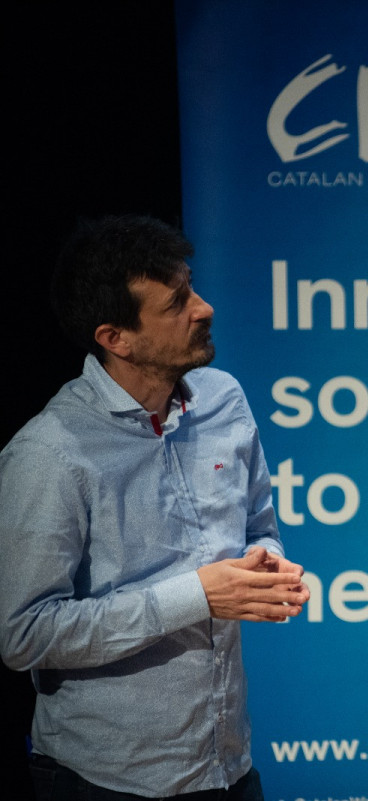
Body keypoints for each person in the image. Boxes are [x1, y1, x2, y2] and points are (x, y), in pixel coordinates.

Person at [0, 215, 310, 800]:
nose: (204, 308)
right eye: (176, 304)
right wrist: (197, 596)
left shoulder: (224, 398)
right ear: (115, 337)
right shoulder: (50, 453)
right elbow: (25, 635)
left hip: (228, 766)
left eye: (191, 287)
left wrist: (264, 565)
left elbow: (258, 526)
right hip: (109, 781)